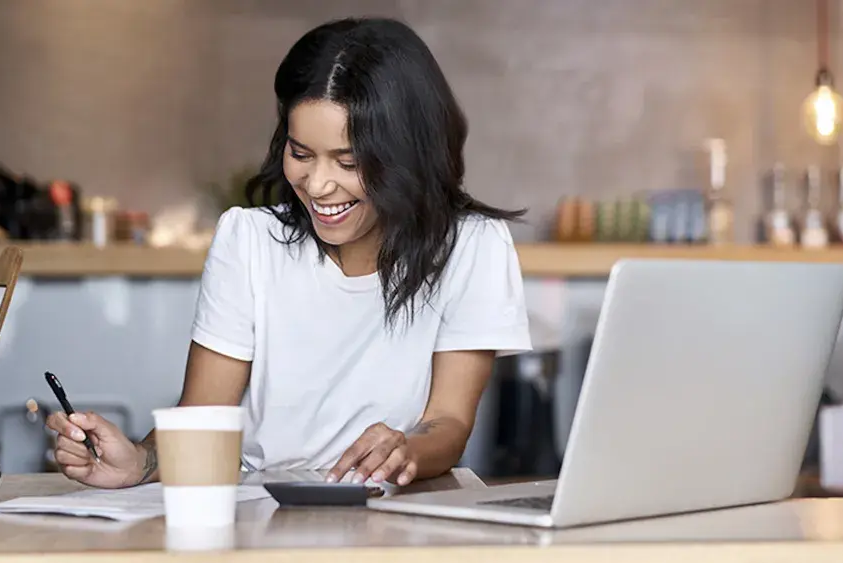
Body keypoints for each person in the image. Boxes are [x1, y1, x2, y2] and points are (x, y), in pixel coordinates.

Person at [47, 16, 532, 489]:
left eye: (348, 162)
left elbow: (448, 422)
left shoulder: (471, 246)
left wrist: (406, 450)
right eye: (301, 154)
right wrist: (139, 461)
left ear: (407, 156)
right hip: (265, 511)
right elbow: (203, 417)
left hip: (400, 513)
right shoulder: (250, 240)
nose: (318, 185)